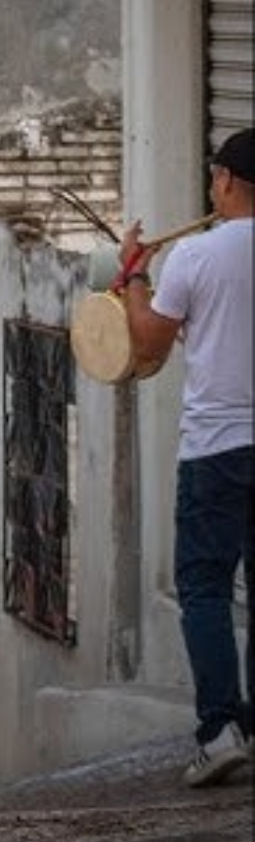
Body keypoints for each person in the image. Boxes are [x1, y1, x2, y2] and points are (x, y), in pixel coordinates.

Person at [119, 126, 254, 788]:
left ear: (226, 181)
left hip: (217, 447)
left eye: (214, 177)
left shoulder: (196, 257)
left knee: (203, 588)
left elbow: (148, 344)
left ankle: (218, 730)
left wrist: (136, 274)